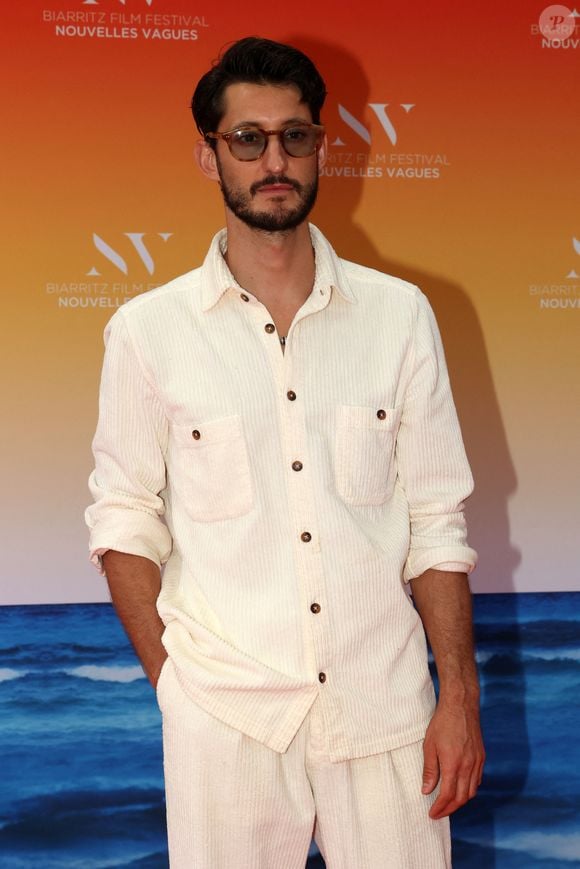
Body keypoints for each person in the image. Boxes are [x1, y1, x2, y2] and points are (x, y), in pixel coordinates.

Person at [86, 36, 485, 869]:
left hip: (385, 710)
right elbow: (124, 520)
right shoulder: (147, 333)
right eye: (249, 139)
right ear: (210, 156)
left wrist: (460, 696)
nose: (275, 159)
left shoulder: (401, 315)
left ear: (322, 148)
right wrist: (177, 689)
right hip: (225, 718)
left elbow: (435, 519)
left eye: (294, 136)